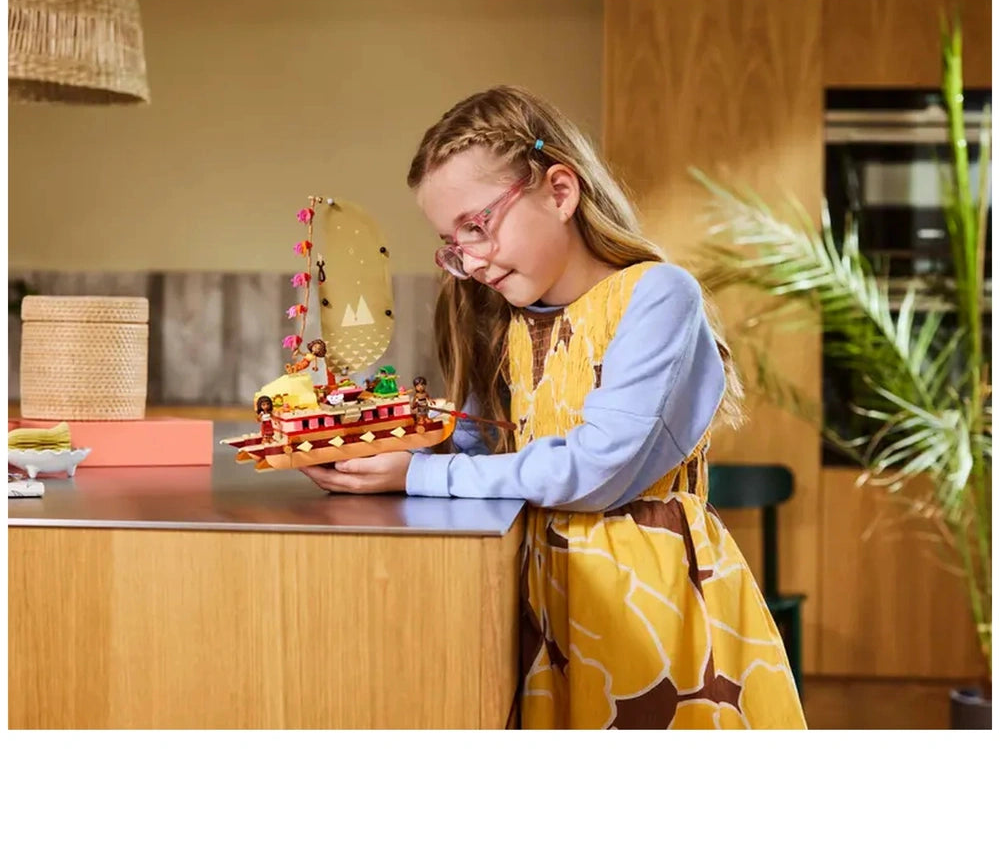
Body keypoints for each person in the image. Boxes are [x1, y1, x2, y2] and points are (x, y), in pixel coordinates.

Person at [301, 85, 807, 730]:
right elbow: (489, 454)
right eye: (453, 242)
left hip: (646, 604)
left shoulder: (656, 296)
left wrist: (417, 474)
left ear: (560, 192)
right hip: (543, 592)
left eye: (477, 226)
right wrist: (382, 445)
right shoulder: (505, 319)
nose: (471, 259)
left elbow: (594, 473)